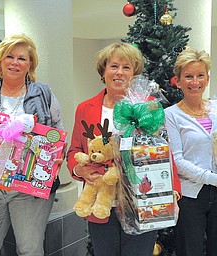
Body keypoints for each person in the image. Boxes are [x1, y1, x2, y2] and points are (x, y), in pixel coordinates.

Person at [67, 42, 181, 256]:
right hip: (101, 200)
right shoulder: (85, 108)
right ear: (103, 71)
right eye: (114, 66)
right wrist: (78, 170)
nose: (119, 72)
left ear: (133, 73)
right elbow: (73, 151)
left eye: (126, 67)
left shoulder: (148, 107)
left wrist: (172, 189)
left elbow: (164, 151)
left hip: (141, 198)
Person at [0, 34, 65, 256]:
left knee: (29, 249)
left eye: (22, 58)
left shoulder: (43, 94)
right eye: (9, 56)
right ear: (0, 61)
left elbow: (58, 133)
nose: (15, 62)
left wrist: (58, 155)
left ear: (30, 64)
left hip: (29, 189)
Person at [165, 47, 217, 256]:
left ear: (207, 78)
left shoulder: (216, 108)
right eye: (188, 76)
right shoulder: (171, 115)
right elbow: (177, 160)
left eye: (200, 75)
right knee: (190, 251)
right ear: (178, 81)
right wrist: (213, 178)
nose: (195, 82)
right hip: (191, 196)